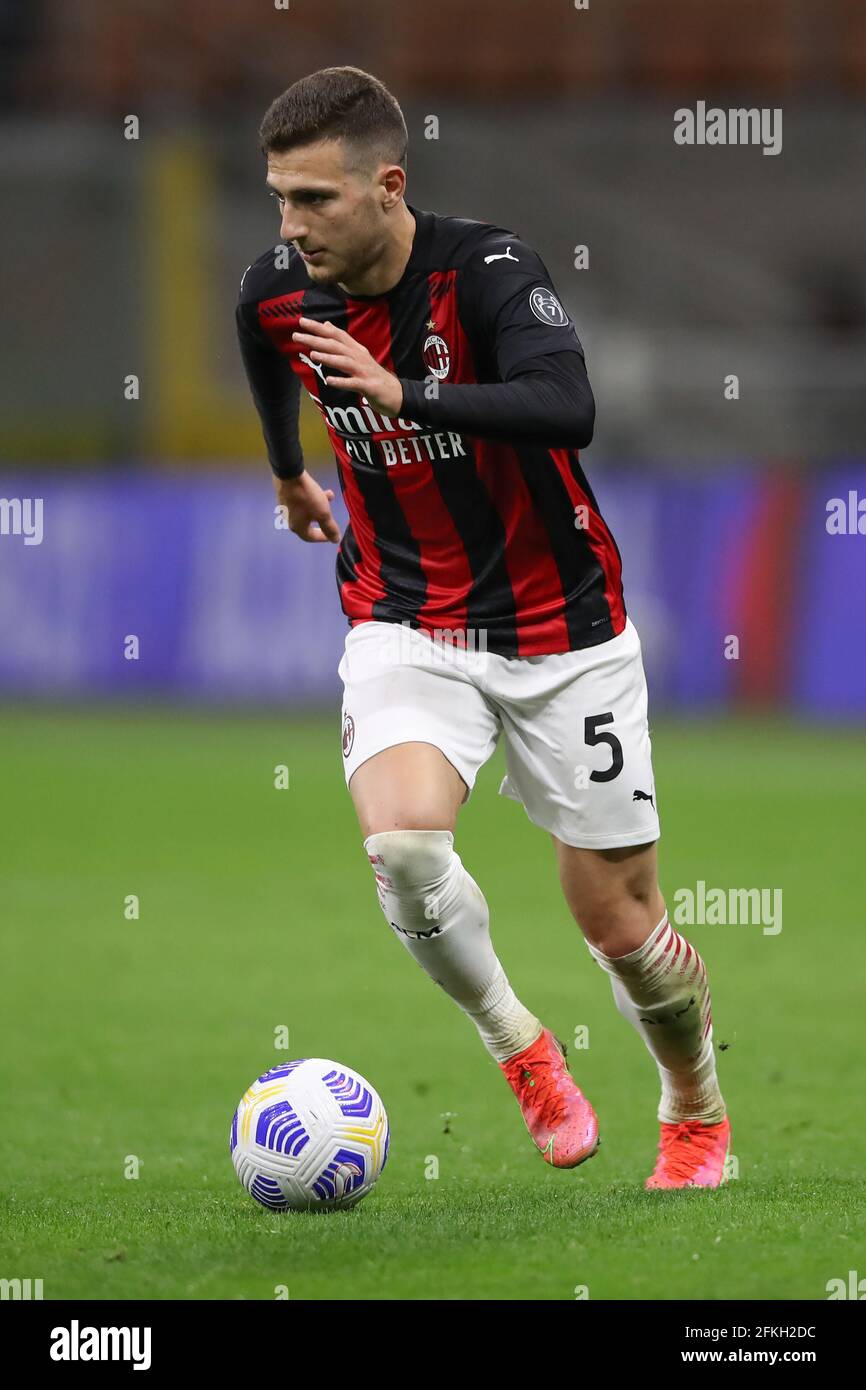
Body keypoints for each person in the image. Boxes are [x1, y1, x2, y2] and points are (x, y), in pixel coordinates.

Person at [236, 65, 730, 1188]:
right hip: (404, 615)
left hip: (563, 630)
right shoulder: (281, 286)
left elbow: (569, 406)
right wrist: (287, 473)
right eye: (277, 196)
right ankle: (522, 1050)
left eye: (313, 198)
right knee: (404, 847)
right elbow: (255, 334)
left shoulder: (489, 270)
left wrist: (404, 393)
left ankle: (692, 1104)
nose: (289, 225)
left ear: (387, 186)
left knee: (624, 931)